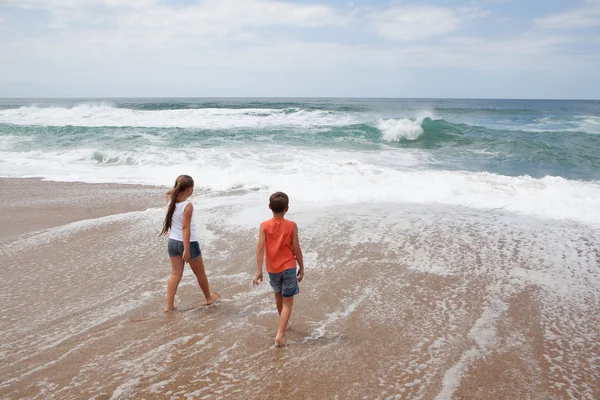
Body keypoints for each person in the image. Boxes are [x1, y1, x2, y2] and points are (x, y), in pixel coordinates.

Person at [161, 175, 219, 311]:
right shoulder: (187, 206)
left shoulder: (171, 201)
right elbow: (185, 227)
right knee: (200, 274)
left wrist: (177, 187)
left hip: (172, 242)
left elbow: (169, 192)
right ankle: (208, 298)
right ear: (188, 190)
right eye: (192, 187)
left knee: (175, 274)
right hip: (188, 243)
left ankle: (169, 305)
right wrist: (186, 250)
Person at [253, 191, 304, 346]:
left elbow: (260, 249)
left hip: (272, 269)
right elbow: (296, 248)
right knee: (288, 302)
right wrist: (302, 266)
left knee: (278, 295)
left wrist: (258, 271)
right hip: (288, 267)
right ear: (287, 208)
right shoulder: (291, 225)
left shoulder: (265, 226)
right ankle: (280, 333)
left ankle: (283, 324)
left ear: (269, 207)